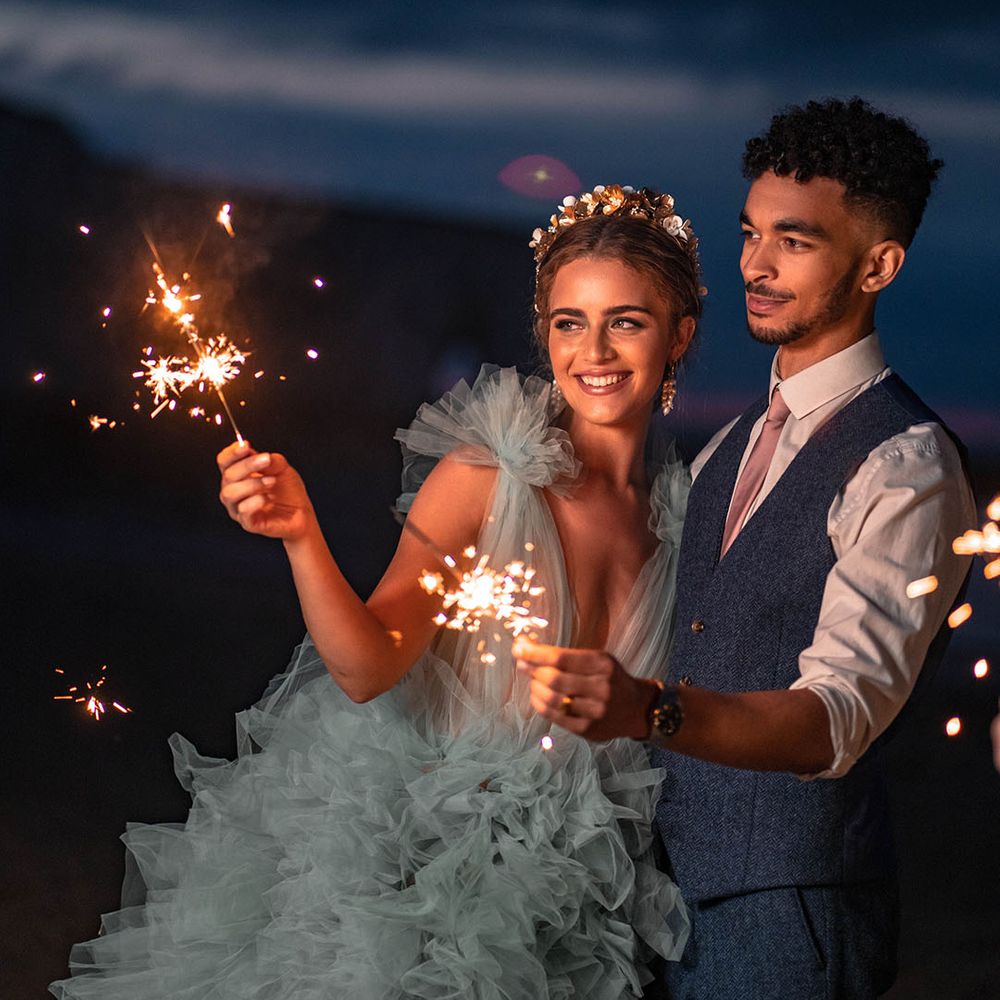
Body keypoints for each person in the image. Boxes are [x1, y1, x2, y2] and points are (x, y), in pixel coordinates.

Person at [51, 184, 702, 999]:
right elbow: (367, 668)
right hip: (422, 874)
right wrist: (301, 534)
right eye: (570, 322)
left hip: (583, 894)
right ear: (544, 331)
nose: (593, 351)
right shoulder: (484, 479)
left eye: (626, 322)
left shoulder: (687, 520)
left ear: (678, 335)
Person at [517, 97, 976, 998]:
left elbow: (836, 718)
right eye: (750, 232)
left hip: (785, 920)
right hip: (654, 905)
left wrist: (648, 709)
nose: (755, 266)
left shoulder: (906, 466)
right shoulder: (726, 448)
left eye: (794, 242)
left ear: (879, 265)